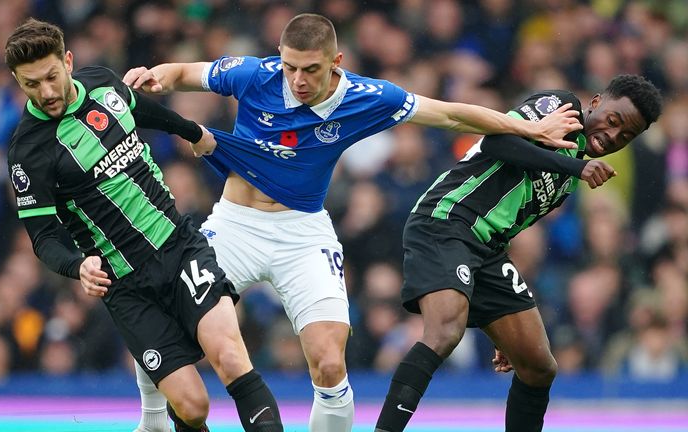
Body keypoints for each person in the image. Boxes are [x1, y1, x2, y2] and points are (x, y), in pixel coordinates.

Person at [122, 13, 582, 432]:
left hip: (303, 233)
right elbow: (184, 73)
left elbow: (448, 113)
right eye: (290, 67)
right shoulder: (253, 74)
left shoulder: (366, 97)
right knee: (169, 317)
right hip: (235, 225)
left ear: (336, 62)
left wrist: (527, 128)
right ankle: (153, 420)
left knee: (328, 362)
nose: (298, 81)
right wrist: (155, 77)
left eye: (311, 70)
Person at [4, 18, 284, 432]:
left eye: (51, 77)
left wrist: (193, 132)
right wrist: (76, 265)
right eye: (31, 84)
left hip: (180, 245)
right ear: (17, 81)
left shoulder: (101, 82)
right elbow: (43, 236)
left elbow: (141, 110)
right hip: (126, 285)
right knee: (192, 407)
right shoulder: (27, 152)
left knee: (229, 357)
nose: (46, 92)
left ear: (68, 60)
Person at [373, 74, 663, 432]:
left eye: (626, 135)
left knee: (538, 365)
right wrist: (577, 164)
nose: (613, 135)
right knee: (446, 329)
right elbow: (498, 144)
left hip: (488, 248)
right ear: (596, 102)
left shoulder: (571, 177)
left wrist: (501, 323)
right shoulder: (562, 108)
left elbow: (509, 215)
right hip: (448, 218)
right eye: (614, 120)